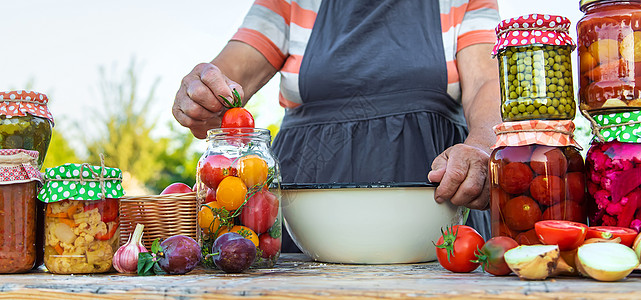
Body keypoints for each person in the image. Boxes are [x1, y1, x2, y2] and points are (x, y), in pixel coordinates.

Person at [173, 0, 502, 252]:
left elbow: (486, 81)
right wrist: (204, 92)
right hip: (301, 231)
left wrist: (482, 144)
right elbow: (228, 83)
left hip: (435, 229)